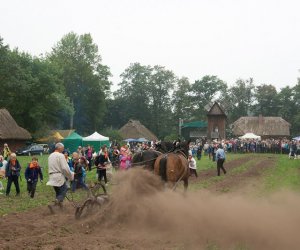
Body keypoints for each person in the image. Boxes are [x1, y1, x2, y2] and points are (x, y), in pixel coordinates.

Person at [47, 143, 74, 212]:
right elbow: (65, 168)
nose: (63, 149)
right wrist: (71, 176)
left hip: (51, 176)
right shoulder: (60, 155)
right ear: (60, 148)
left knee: (58, 193)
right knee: (64, 190)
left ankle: (56, 207)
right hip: (58, 176)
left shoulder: (50, 156)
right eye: (63, 148)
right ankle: (56, 202)